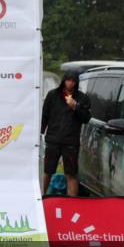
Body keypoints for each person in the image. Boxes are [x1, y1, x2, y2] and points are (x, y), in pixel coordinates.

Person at [41, 69, 92, 197]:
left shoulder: (82, 98)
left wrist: (75, 107)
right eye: (68, 80)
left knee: (71, 174)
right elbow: (44, 115)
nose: (70, 83)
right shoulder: (53, 95)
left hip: (71, 142)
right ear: (64, 80)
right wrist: (40, 133)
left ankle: (72, 203)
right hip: (53, 139)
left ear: (76, 82)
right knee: (47, 171)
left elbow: (86, 118)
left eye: (73, 81)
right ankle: (41, 197)